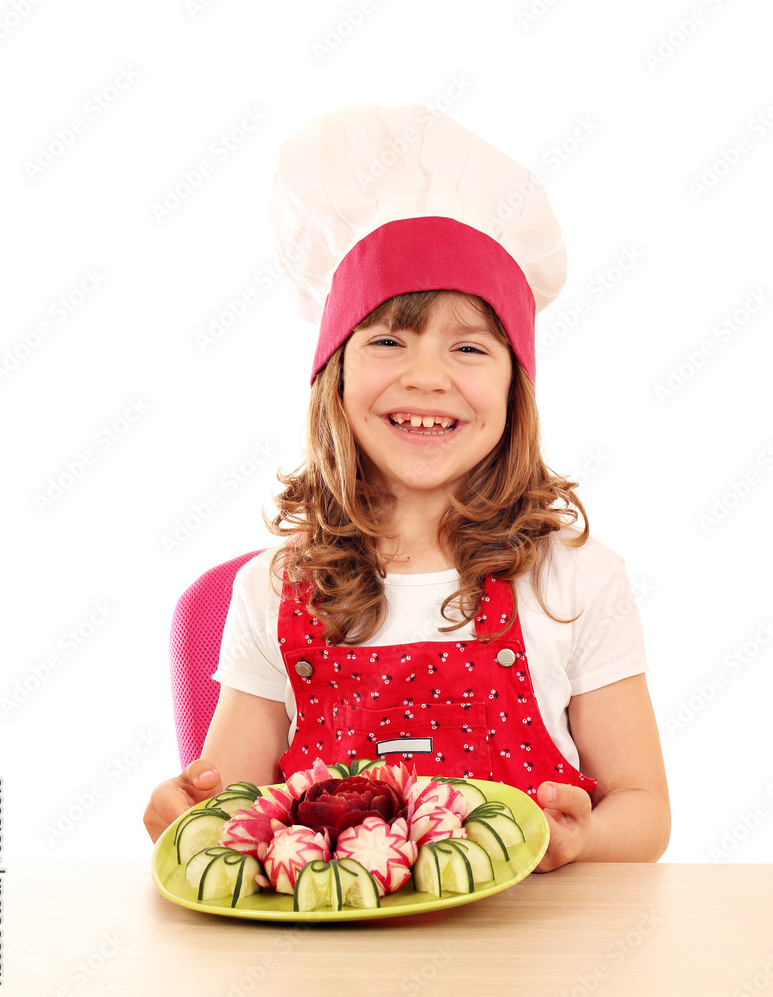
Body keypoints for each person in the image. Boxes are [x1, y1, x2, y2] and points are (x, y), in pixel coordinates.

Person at [144, 105, 670, 871]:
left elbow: (643, 809)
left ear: (514, 387)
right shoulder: (274, 589)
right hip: (330, 940)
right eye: (388, 339)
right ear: (335, 376)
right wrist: (187, 812)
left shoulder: (576, 579)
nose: (426, 376)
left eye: (468, 347)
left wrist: (581, 838)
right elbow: (226, 807)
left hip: (531, 939)